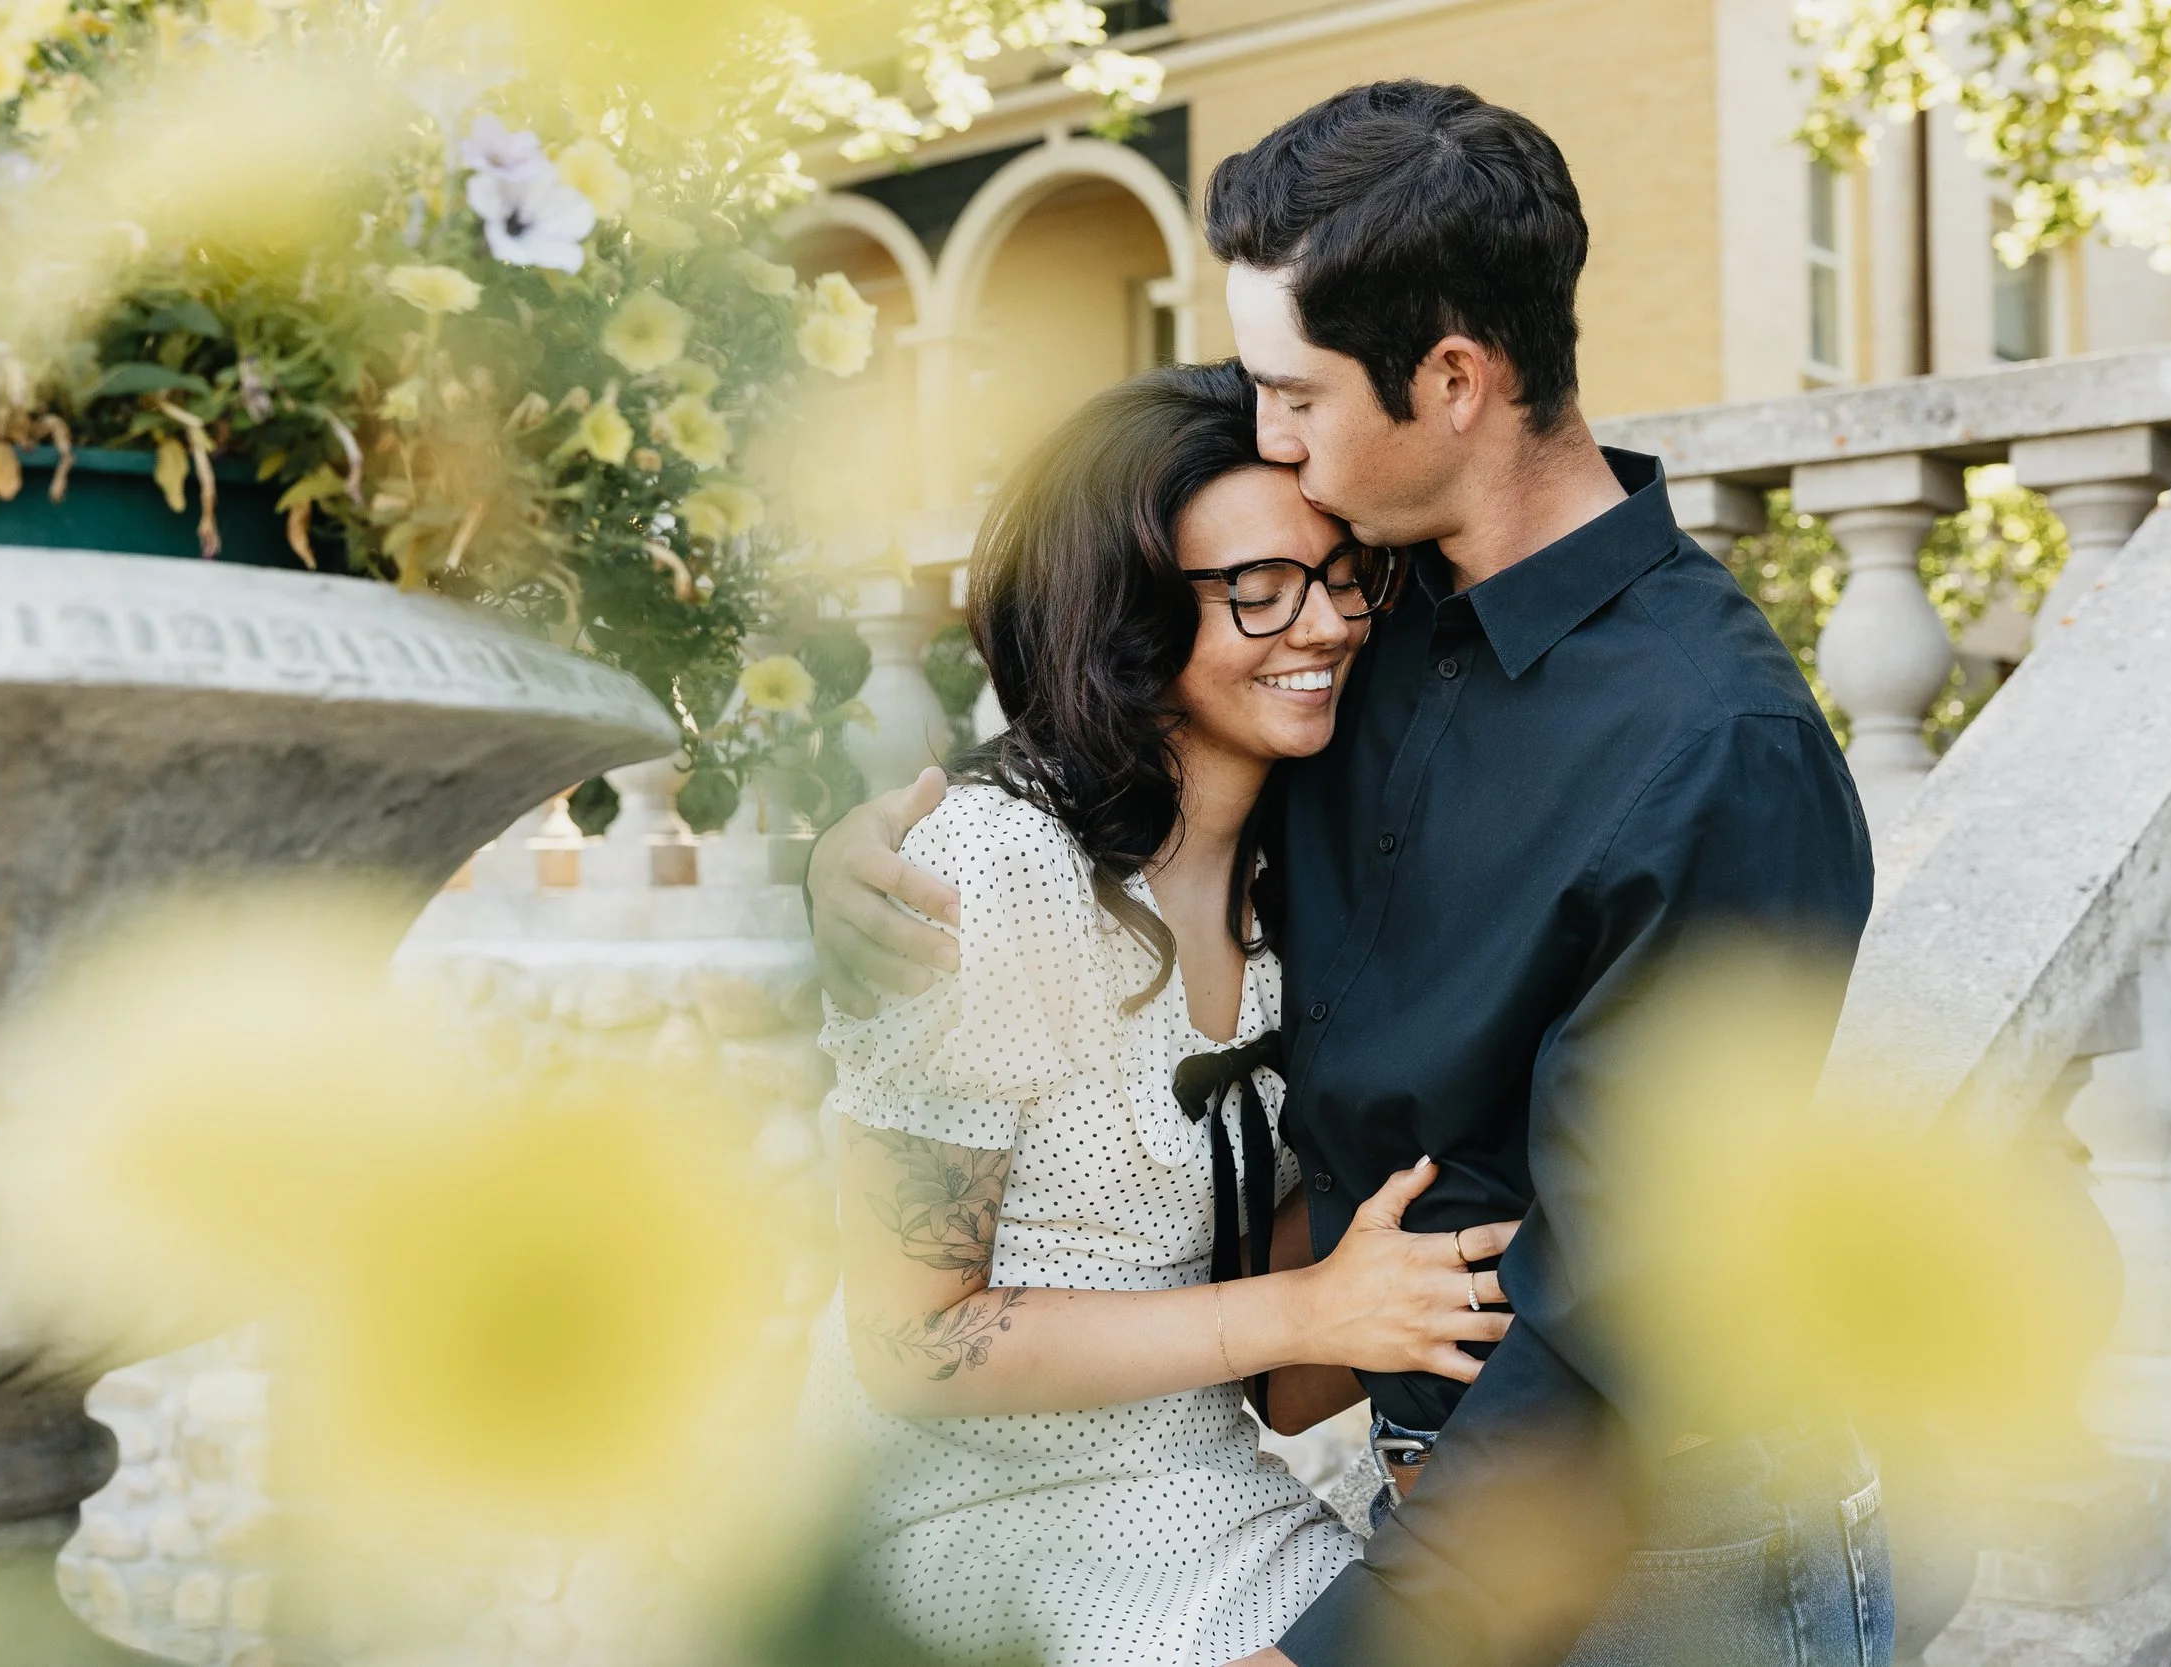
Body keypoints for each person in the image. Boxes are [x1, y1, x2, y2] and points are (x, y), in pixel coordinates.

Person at [808, 81, 1889, 1667]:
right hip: (1406, 1511)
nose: (1272, 434)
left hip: (1677, 1557)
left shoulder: (1716, 749)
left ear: (1453, 378)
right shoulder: (1358, 638)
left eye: (1295, 389)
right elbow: (1109, 716)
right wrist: (857, 872)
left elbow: (1624, 1306)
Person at [802, 361, 1522, 1667]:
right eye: (1256, 587)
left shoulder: (1307, 899)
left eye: (1342, 573)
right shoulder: (998, 871)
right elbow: (912, 1338)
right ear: (1119, 615)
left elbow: (1287, 1382)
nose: (1324, 625)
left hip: (1210, 1500)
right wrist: (1311, 1311)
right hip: (961, 1535)